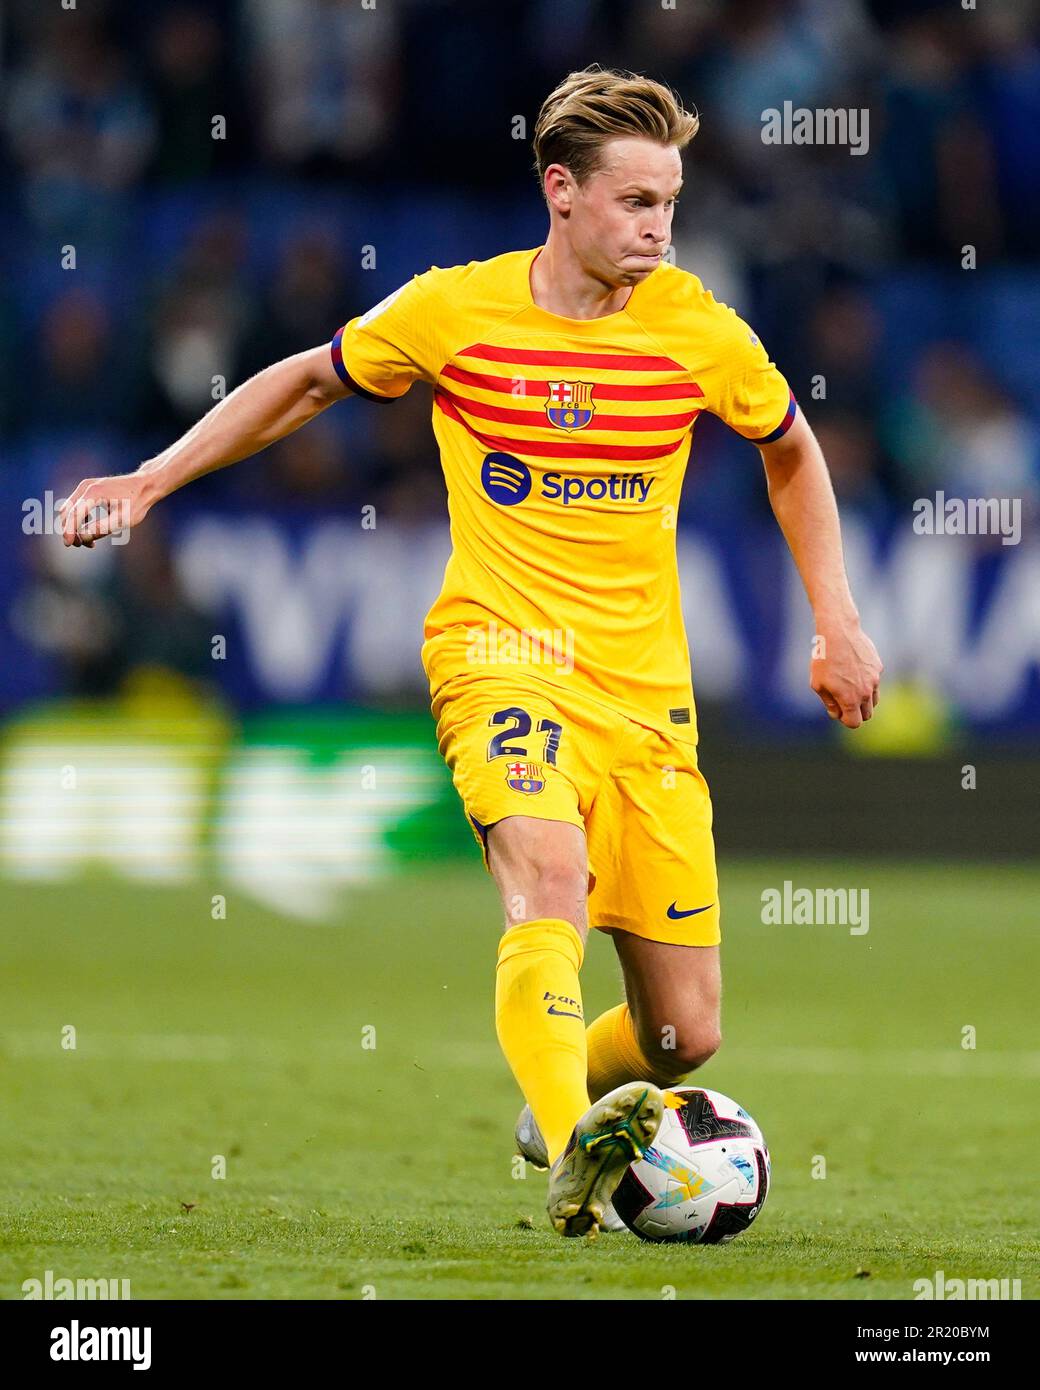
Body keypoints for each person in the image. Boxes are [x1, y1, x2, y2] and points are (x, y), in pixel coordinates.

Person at [60, 65, 883, 1238]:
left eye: (669, 202)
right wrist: (151, 478)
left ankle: (566, 1097)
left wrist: (836, 618)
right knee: (547, 879)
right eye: (634, 201)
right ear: (560, 191)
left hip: (647, 700)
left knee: (681, 1034)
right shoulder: (456, 309)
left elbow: (790, 449)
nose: (658, 227)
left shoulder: (699, 331)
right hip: (498, 653)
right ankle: (564, 1140)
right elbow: (306, 383)